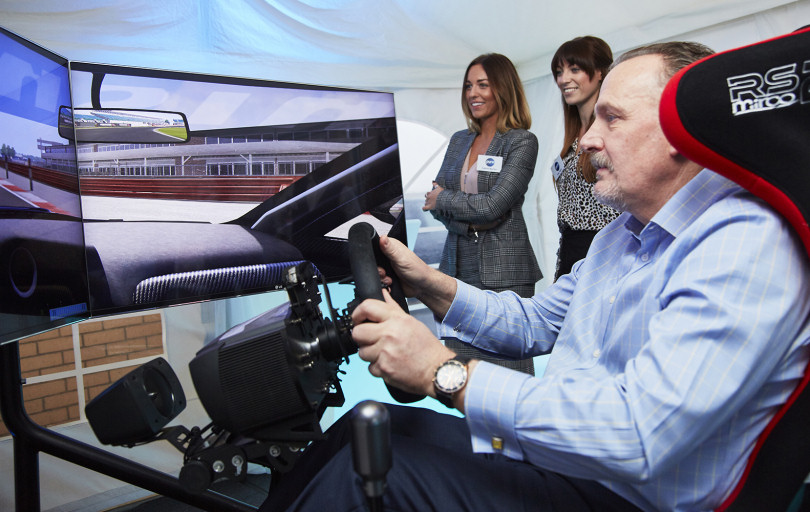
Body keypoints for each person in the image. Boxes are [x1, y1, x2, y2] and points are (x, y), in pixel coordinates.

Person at [260, 41, 810, 512]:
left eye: (611, 118)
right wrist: (428, 281)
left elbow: (638, 437)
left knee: (364, 475)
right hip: (572, 466)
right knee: (364, 427)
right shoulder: (622, 235)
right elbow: (535, 320)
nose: (588, 141)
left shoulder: (744, 242)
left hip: (623, 495)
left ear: (684, 133)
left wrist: (442, 372)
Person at [422, 53, 542, 374]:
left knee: (507, 370)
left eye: (483, 85)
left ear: (503, 88)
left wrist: (445, 197)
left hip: (505, 272)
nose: (473, 93)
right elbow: (434, 206)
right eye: (468, 86)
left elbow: (494, 205)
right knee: (463, 368)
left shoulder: (521, 142)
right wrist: (467, 220)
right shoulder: (460, 140)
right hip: (457, 267)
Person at [550, 36, 621, 280]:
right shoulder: (571, 140)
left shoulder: (612, 130)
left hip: (605, 249)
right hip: (570, 250)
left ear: (600, 72)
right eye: (559, 72)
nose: (563, 79)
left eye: (575, 69)